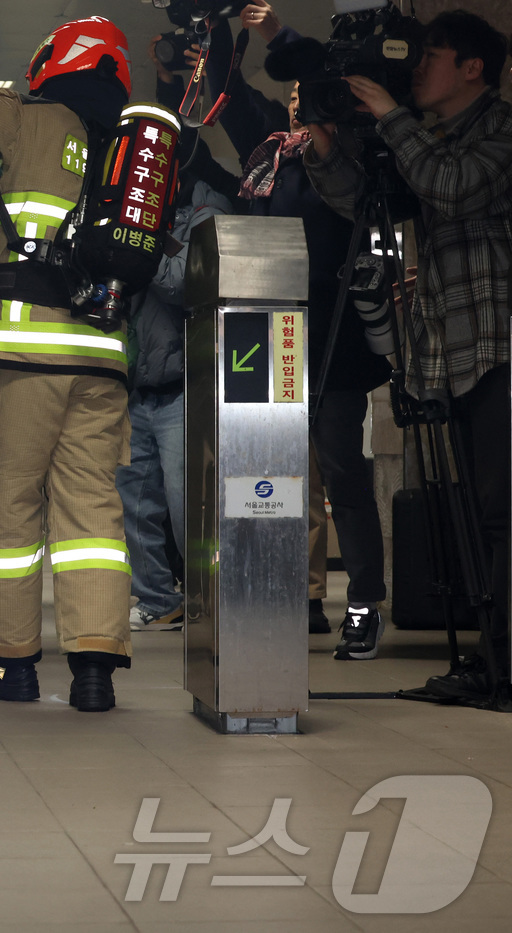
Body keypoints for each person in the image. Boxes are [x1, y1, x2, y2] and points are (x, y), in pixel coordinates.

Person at [305, 10, 512, 696]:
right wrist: (328, 148)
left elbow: (453, 186)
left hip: (499, 349)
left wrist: (391, 112)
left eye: (433, 56)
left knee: (502, 511)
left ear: (473, 67)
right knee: (481, 513)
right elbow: (362, 205)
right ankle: (488, 659)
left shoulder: (500, 132)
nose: (418, 67)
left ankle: (504, 665)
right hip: (450, 355)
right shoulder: (428, 138)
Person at [0, 16, 136, 711]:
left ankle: (8, 664)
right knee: (92, 514)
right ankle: (94, 669)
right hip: (102, 361)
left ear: (50, 64)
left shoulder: (14, 116)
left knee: (4, 510)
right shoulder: (135, 147)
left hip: (18, 352)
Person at [202, 2, 392, 658]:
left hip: (334, 336)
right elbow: (227, 94)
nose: (295, 109)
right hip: (264, 331)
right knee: (266, 469)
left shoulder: (356, 159)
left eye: (308, 100)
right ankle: (272, 592)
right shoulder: (270, 158)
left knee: (342, 467)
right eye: (290, 98)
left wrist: (283, 38)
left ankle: (364, 600)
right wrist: (217, 25)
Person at [120, 38, 240, 633]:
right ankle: (156, 596)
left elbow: (184, 289)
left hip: (184, 386)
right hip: (133, 383)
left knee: (186, 502)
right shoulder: (131, 209)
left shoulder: (205, 212)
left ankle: (206, 598)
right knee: (133, 501)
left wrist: (153, 239)